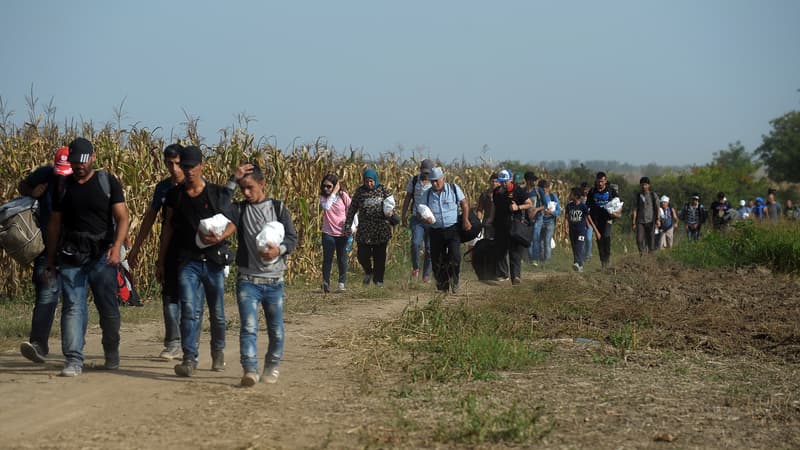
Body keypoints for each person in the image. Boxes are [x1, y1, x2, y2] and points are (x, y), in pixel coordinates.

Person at [46, 138, 130, 377]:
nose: (79, 166)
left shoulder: (106, 182)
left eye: (83, 161)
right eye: (75, 161)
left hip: (102, 256)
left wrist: (116, 248)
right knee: (73, 307)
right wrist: (51, 260)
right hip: (71, 255)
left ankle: (111, 350)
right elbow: (54, 225)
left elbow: (123, 217)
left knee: (108, 308)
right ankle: (73, 358)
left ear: (93, 157)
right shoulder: (63, 187)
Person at [158, 145, 236, 377]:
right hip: (187, 261)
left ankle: (218, 352)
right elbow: (168, 228)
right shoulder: (176, 195)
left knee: (217, 312)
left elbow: (234, 220)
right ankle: (189, 359)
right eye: (185, 167)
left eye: (192, 167)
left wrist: (221, 236)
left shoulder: (215, 193)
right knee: (189, 310)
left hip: (212, 260)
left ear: (202, 166)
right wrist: (162, 260)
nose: (188, 171)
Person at [230, 163, 298, 386]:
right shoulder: (240, 210)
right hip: (248, 280)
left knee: (276, 330)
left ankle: (272, 365)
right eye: (242, 189)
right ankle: (250, 369)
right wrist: (233, 179)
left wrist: (279, 250)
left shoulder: (277, 208)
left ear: (262, 184)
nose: (246, 193)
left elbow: (292, 237)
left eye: (250, 187)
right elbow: (219, 207)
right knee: (248, 328)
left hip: (274, 281)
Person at [127, 143, 185, 360]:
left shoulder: (196, 186)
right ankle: (172, 343)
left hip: (192, 251)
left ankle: (189, 342)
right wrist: (136, 248)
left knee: (189, 298)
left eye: (177, 163)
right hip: (169, 247)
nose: (174, 168)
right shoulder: (163, 188)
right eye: (169, 164)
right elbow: (150, 218)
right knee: (169, 296)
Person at [18, 147, 72, 363]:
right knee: (46, 295)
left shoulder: (81, 181)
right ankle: (38, 345)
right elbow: (22, 185)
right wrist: (32, 192)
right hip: (46, 248)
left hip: (74, 250)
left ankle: (73, 349)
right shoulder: (45, 174)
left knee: (72, 301)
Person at [419, 167, 472, 292]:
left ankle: (454, 281)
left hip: (452, 228)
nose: (434, 183)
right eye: (432, 181)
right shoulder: (426, 194)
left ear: (443, 179)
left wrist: (465, 220)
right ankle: (442, 286)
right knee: (437, 260)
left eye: (437, 180)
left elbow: (464, 204)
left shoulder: (453, 189)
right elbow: (419, 211)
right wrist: (424, 218)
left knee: (455, 257)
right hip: (435, 230)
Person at [344, 168, 394, 287]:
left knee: (380, 257)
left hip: (380, 229)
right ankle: (368, 272)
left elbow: (390, 204)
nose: (369, 184)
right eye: (366, 181)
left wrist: (392, 215)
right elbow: (352, 210)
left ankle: (379, 281)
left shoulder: (383, 190)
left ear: (375, 180)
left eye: (371, 181)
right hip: (365, 230)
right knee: (362, 255)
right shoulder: (360, 192)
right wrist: (347, 224)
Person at [487, 169, 532, 284]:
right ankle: (503, 273)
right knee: (500, 251)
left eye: (505, 182)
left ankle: (516, 276)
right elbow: (494, 206)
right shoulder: (497, 192)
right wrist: (491, 218)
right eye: (501, 181)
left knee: (514, 252)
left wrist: (518, 207)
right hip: (500, 225)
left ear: (510, 180)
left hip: (514, 225)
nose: (503, 184)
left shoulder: (518, 191)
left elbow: (529, 204)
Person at [400, 159, 434, 282]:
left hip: (431, 221)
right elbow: (408, 197)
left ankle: (426, 275)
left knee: (430, 248)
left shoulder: (435, 182)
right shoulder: (414, 181)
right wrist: (403, 215)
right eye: (424, 172)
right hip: (416, 218)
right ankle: (416, 268)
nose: (426, 175)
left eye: (428, 173)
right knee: (415, 243)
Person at [319, 173, 351, 293]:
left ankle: (341, 283)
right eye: (324, 186)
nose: (326, 189)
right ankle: (326, 283)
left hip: (342, 233)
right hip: (328, 233)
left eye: (329, 186)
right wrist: (333, 193)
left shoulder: (343, 196)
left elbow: (351, 209)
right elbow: (327, 207)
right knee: (327, 259)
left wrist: (353, 226)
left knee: (342, 258)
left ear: (335, 186)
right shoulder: (323, 198)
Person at [586, 172, 621, 268]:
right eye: (598, 181)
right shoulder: (592, 192)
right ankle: (603, 263)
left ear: (605, 181)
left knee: (606, 237)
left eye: (602, 181)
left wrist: (617, 213)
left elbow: (618, 203)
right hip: (596, 220)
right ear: (596, 181)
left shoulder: (610, 190)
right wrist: (588, 222)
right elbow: (587, 208)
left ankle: (607, 260)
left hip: (608, 219)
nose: (600, 183)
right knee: (599, 240)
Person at [563, 187, 600, 272]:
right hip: (572, 231)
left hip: (581, 231)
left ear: (576, 196)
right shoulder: (569, 206)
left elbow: (589, 218)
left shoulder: (583, 206)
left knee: (579, 246)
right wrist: (566, 228)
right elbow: (566, 218)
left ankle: (576, 263)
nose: (569, 195)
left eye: (571, 193)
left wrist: (595, 230)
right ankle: (580, 265)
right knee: (574, 247)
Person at [631, 176, 660, 255]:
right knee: (639, 239)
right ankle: (642, 254)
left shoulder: (652, 195)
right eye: (642, 185)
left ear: (648, 185)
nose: (644, 186)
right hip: (640, 221)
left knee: (651, 239)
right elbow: (635, 209)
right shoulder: (638, 196)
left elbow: (658, 208)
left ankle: (651, 256)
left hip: (651, 220)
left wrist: (658, 219)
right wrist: (633, 222)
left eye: (645, 184)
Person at [537, 179, 561, 263]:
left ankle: (547, 261)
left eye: (545, 188)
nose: (544, 190)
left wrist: (552, 212)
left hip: (550, 222)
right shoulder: (538, 197)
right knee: (540, 242)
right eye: (542, 188)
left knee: (547, 241)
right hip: (539, 221)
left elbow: (559, 211)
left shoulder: (552, 196)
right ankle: (541, 259)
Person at [523, 172, 544, 265]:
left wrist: (536, 210)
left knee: (535, 236)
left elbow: (545, 204)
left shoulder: (538, 190)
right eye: (533, 180)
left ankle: (534, 259)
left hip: (538, 217)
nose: (535, 182)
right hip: (527, 219)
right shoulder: (523, 191)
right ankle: (530, 258)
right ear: (528, 181)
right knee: (528, 239)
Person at [475, 172, 499, 240]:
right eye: (493, 181)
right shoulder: (485, 195)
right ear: (489, 182)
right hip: (487, 223)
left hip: (499, 223)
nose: (494, 183)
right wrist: (478, 221)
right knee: (488, 243)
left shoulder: (502, 194)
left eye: (496, 181)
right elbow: (480, 209)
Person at [580, 182, 593, 262]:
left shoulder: (591, 198)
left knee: (588, 239)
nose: (585, 191)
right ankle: (582, 255)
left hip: (590, 222)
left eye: (587, 189)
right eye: (584, 189)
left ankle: (588, 255)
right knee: (582, 239)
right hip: (581, 222)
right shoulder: (579, 199)